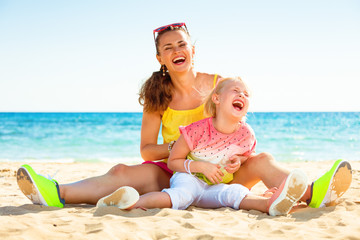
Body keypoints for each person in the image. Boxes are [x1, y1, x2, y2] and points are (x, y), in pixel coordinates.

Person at [16, 22, 352, 209]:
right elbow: (147, 150)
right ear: (160, 58)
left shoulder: (220, 85)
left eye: (182, 45)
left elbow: (238, 132)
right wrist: (183, 148)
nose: (177, 51)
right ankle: (56, 193)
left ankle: (312, 192)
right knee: (121, 171)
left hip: (225, 173)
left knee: (263, 158)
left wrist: (233, 159)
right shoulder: (157, 96)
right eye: (169, 47)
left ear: (193, 50)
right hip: (179, 172)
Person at [96, 77, 309, 216]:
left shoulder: (246, 134)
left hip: (213, 188)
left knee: (233, 192)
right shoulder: (196, 130)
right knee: (180, 197)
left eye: (246, 94)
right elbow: (174, 161)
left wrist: (238, 161)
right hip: (189, 179)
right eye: (236, 91)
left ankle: (271, 204)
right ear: (216, 98)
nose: (242, 96)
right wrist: (201, 167)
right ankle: (130, 202)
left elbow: (246, 156)